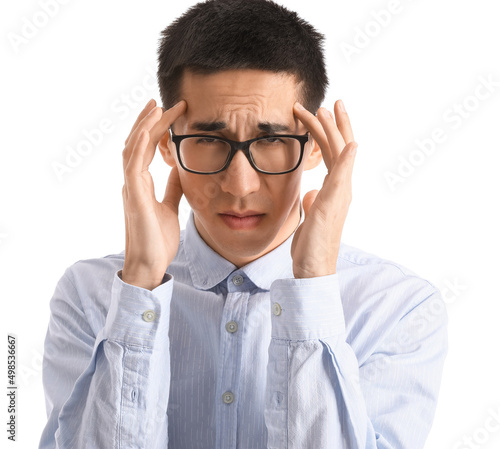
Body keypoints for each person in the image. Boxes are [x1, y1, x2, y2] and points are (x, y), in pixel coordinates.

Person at [38, 0, 448, 448]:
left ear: (315, 146)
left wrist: (312, 287)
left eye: (272, 139)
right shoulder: (90, 296)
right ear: (166, 145)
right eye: (209, 140)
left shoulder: (399, 308)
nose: (239, 185)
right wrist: (140, 287)